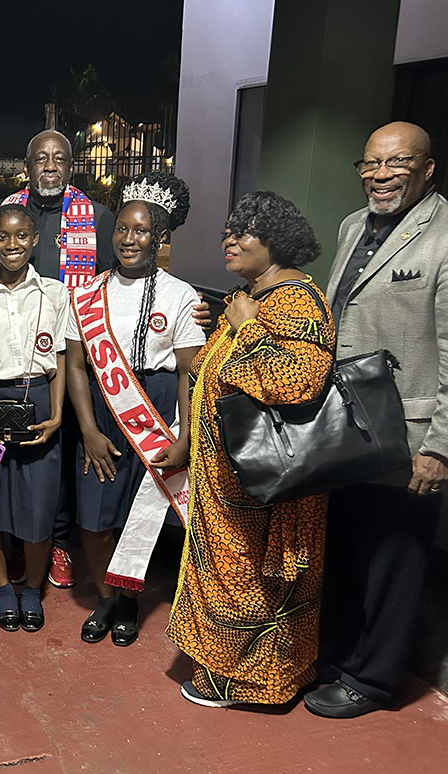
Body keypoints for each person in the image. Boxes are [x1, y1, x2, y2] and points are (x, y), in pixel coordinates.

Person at [167, 191, 333, 708]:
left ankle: (243, 681)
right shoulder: (257, 297)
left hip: (261, 486)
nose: (230, 242)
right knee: (236, 575)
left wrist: (246, 328)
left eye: (245, 234)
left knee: (245, 580)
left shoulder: (296, 301)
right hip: (234, 481)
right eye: (228, 233)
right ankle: (266, 674)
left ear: (277, 243)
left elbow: (294, 382)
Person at [304, 122, 448, 719]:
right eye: (370, 164)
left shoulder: (443, 235)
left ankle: (374, 679)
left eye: (396, 163)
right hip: (347, 428)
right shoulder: (352, 225)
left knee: (395, 559)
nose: (380, 174)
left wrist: (441, 448)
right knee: (347, 547)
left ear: (428, 168)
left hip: (408, 438)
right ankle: (339, 656)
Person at [65, 172, 203, 647]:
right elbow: (77, 367)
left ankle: (126, 603)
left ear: (158, 237)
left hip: (158, 411)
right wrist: (87, 429)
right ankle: (105, 594)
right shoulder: (85, 295)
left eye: (140, 230)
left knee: (136, 516)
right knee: (94, 518)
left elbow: (188, 372)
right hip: (103, 409)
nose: (128, 239)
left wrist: (184, 437)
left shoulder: (181, 295)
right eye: (122, 228)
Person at [0, 130, 116, 590]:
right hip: (15, 361)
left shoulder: (96, 216)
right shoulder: (5, 214)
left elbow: (119, 276)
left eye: (60, 158)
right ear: (28, 163)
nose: (51, 166)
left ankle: (55, 539)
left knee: (57, 455)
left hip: (78, 356)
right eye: (42, 158)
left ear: (72, 163)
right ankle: (19, 542)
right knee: (15, 454)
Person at [0, 205, 69, 632]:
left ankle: (32, 592)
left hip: (38, 403)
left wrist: (58, 413)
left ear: (35, 239)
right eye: (2, 237)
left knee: (37, 510)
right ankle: (4, 589)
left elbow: (58, 358)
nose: (12, 245)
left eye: (21, 236)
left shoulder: (54, 294)